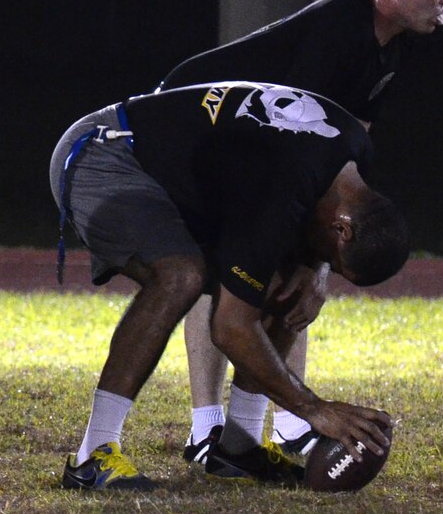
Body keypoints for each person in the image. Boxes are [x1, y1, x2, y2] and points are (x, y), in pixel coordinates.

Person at [159, 0, 443, 467]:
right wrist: (306, 256)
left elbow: (346, 144)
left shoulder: (389, 45)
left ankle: (250, 435)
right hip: (192, 137)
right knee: (228, 274)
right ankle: (210, 430)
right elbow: (285, 145)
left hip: (255, 153)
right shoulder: (340, 32)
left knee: (287, 278)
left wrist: (315, 260)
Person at [50, 81, 409, 490]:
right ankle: (92, 456)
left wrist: (315, 268)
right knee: (180, 277)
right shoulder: (282, 185)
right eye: (338, 263)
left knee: (289, 286)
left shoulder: (352, 159)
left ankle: (238, 449)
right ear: (342, 229)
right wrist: (314, 409)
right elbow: (230, 328)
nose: (332, 267)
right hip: (107, 151)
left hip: (178, 175)